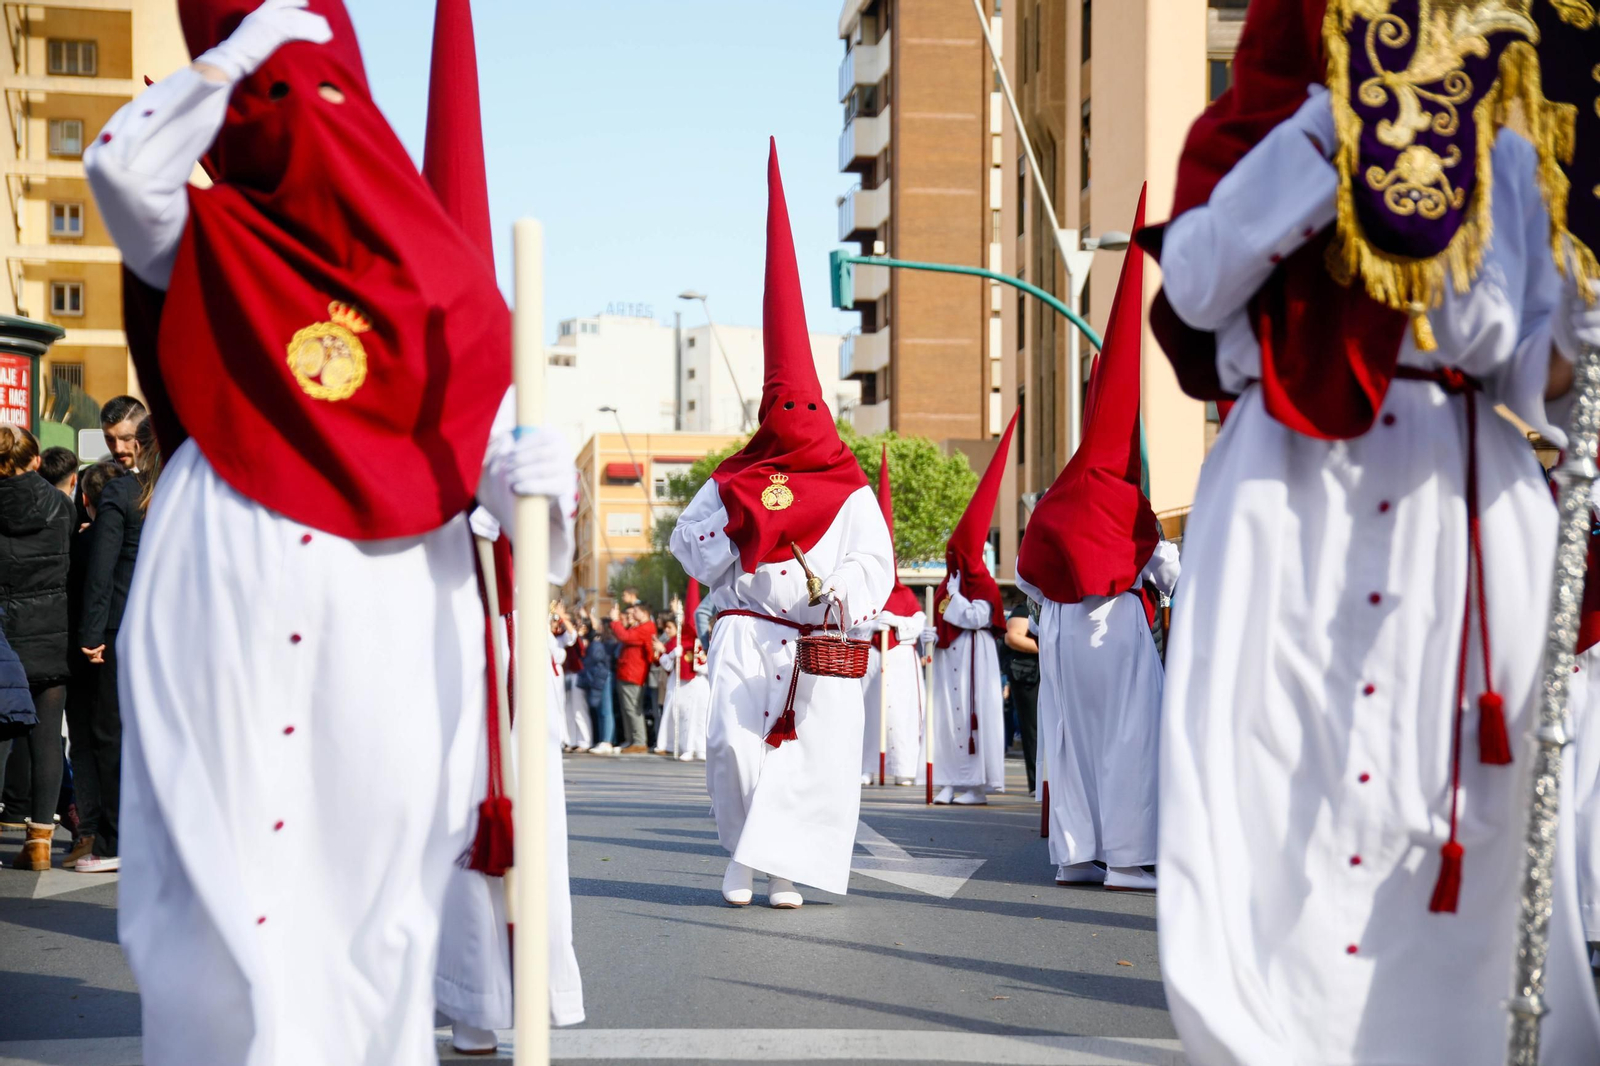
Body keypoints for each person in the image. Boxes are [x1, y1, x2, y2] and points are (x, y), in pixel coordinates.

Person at [83, 1, 576, 1060]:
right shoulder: (204, 241)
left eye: (318, 94)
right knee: (213, 884)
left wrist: (536, 485)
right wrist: (236, 56)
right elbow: (122, 173)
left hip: (392, 606)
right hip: (227, 600)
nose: (288, 117)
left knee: (377, 884)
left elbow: (484, 458)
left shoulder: (442, 284)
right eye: (264, 99)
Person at [1142, 1, 1600, 1060]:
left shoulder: (1512, 147)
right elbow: (1203, 282)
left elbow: (1541, 365)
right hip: (1288, 500)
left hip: (1463, 487)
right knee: (1271, 775)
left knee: (1468, 800)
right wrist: (1328, 137)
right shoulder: (1253, 128)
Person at [670, 141, 893, 910]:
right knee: (733, 746)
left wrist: (844, 592)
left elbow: (878, 562)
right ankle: (740, 857)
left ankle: (783, 868)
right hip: (744, 627)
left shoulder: (849, 486)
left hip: (814, 638)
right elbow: (687, 549)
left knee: (800, 758)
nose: (794, 421)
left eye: (806, 409)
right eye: (783, 410)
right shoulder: (732, 478)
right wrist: (733, 528)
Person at [1018, 190, 1179, 893]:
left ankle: (1076, 855)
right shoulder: (1126, 499)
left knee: (1069, 739)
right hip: (1113, 628)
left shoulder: (1056, 494)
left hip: (1058, 631)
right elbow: (1166, 572)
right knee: (1128, 740)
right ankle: (1126, 860)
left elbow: (1030, 574)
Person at [73, 421, 158, 875]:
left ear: (140, 446)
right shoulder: (183, 495)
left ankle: (113, 840)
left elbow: (101, 572)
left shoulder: (122, 494)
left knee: (111, 733)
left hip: (123, 629)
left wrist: (91, 635)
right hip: (176, 630)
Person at [927, 411, 1017, 806]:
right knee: (948, 717)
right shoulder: (949, 582)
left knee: (974, 715)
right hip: (950, 657)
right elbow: (942, 614)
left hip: (975, 654)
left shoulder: (981, 581)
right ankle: (949, 778)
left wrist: (959, 601)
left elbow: (981, 617)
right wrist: (933, 630)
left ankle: (976, 784)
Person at [0, 425, 71, 871]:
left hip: (4, 633)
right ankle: (40, 842)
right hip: (51, 632)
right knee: (47, 737)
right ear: (37, 460)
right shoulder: (59, 505)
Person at [61, 459, 127, 871]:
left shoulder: (83, 542)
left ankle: (91, 831)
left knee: (88, 741)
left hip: (86, 650)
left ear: (86, 500)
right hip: (120, 644)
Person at [857, 444, 926, 787]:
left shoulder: (905, 594)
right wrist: (873, 622)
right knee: (868, 713)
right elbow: (852, 622)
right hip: (870, 658)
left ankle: (903, 766)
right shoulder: (865, 590)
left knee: (900, 710)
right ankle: (867, 766)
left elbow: (918, 624)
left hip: (898, 658)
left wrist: (895, 622)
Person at [609, 600, 657, 754]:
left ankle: (639, 741)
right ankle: (630, 739)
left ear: (644, 613)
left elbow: (625, 637)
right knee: (627, 708)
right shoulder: (639, 626)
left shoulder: (646, 627)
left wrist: (615, 621)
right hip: (627, 672)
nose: (632, 614)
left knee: (633, 709)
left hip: (634, 673)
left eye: (635, 611)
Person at [1003, 597, 1039, 795]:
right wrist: (1046, 648)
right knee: (1032, 728)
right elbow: (1012, 636)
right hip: (1029, 675)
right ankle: (1037, 783)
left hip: (1045, 671)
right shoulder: (1024, 608)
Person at [580, 609, 618, 755]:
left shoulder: (608, 641)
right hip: (599, 674)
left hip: (603, 675)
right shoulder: (601, 640)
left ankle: (607, 740)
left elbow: (601, 657)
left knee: (606, 709)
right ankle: (604, 739)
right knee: (601, 709)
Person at [99, 396, 145, 470]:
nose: (118, 449)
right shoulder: (97, 477)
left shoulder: (165, 475)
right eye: (110, 439)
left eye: (127, 439)